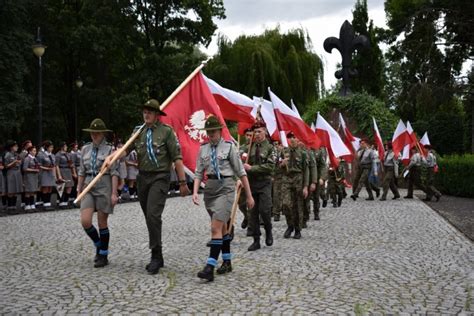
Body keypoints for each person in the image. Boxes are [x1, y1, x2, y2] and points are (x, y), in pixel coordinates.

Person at [104, 99, 190, 275]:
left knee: (152, 214)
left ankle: (155, 255)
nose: (146, 114)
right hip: (143, 178)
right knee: (149, 216)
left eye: (150, 111)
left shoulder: (166, 132)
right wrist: (111, 157)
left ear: (157, 114)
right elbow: (125, 150)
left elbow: (177, 158)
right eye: (144, 111)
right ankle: (158, 251)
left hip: (160, 177)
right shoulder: (138, 132)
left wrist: (182, 183)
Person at [192, 116, 254, 281]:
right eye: (208, 132)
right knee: (223, 228)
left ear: (220, 131)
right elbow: (199, 172)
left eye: (213, 132)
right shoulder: (203, 149)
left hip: (226, 188)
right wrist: (195, 191)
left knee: (214, 228)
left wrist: (249, 195)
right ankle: (227, 262)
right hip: (210, 189)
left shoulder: (229, 147)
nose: (211, 135)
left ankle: (209, 267)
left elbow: (241, 172)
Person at [77, 118, 119, 268]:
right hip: (89, 185)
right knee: (85, 221)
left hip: (104, 185)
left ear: (103, 134)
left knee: (102, 222)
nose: (94, 135)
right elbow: (81, 171)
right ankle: (99, 244)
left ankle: (103, 255)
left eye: (97, 133)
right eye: (92, 133)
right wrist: (79, 189)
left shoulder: (110, 151)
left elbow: (114, 173)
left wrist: (114, 193)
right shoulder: (85, 150)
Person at [243, 120, 276, 251]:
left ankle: (268, 230)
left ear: (265, 132)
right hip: (251, 184)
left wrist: (252, 168)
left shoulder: (270, 148)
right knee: (252, 213)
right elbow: (241, 164)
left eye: (259, 131)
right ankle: (256, 239)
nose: (256, 134)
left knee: (265, 210)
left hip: (264, 183)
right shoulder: (248, 147)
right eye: (254, 132)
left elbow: (270, 166)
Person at [279, 133, 309, 239]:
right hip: (286, 179)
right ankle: (290, 225)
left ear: (298, 139)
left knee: (297, 206)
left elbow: (306, 170)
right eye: (290, 137)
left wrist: (306, 186)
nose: (292, 139)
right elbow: (276, 167)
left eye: (294, 137)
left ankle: (297, 229)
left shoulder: (303, 153)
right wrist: (282, 164)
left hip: (298, 179)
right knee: (286, 204)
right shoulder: (283, 151)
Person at [4, 140, 23, 213]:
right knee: (11, 190)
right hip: (11, 172)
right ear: (11, 147)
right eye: (15, 146)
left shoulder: (16, 154)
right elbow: (6, 166)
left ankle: (14, 206)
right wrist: (14, 162)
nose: (17, 147)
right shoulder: (8, 154)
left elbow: (19, 163)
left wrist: (19, 162)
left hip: (17, 172)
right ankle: (10, 207)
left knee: (15, 190)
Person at [56, 142, 75, 209]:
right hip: (62, 170)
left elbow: (71, 163)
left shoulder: (68, 154)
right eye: (65, 146)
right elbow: (57, 165)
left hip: (68, 171)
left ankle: (66, 201)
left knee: (69, 187)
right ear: (62, 147)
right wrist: (59, 175)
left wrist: (73, 172)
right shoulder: (58, 155)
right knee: (62, 187)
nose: (66, 148)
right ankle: (61, 201)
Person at [38, 140, 56, 210]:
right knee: (45, 187)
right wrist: (46, 168)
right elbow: (38, 165)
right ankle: (45, 203)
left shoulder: (52, 155)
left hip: (51, 173)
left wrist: (54, 175)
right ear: (46, 147)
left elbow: (54, 165)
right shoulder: (41, 154)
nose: (51, 148)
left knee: (50, 188)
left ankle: (48, 203)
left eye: (52, 147)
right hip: (44, 173)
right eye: (50, 147)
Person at [22, 146, 40, 211]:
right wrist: (34, 170)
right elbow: (24, 168)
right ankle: (27, 205)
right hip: (29, 176)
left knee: (33, 190)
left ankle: (32, 204)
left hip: (34, 176)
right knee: (28, 191)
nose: (35, 152)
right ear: (30, 151)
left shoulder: (35, 158)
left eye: (35, 151)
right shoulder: (27, 158)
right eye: (33, 151)